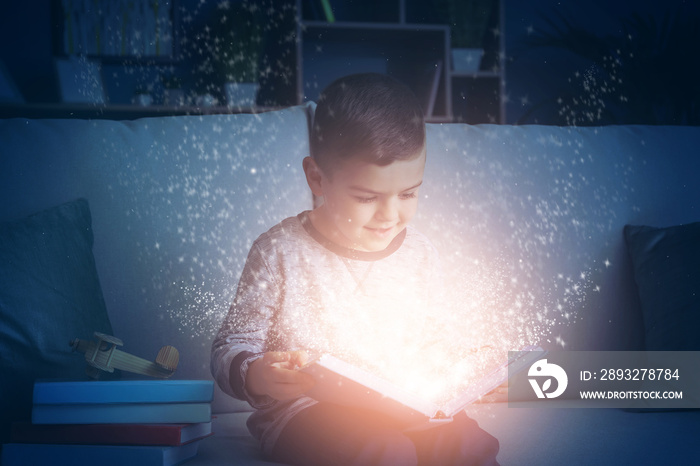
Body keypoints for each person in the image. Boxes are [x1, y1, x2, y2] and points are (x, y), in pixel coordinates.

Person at [211, 73, 500, 465]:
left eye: (408, 193)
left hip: (403, 407)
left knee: (471, 445)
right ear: (317, 178)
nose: (390, 214)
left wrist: (469, 369)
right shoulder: (278, 251)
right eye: (367, 197)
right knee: (385, 452)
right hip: (305, 412)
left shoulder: (420, 253)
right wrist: (257, 373)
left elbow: (435, 340)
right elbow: (231, 345)